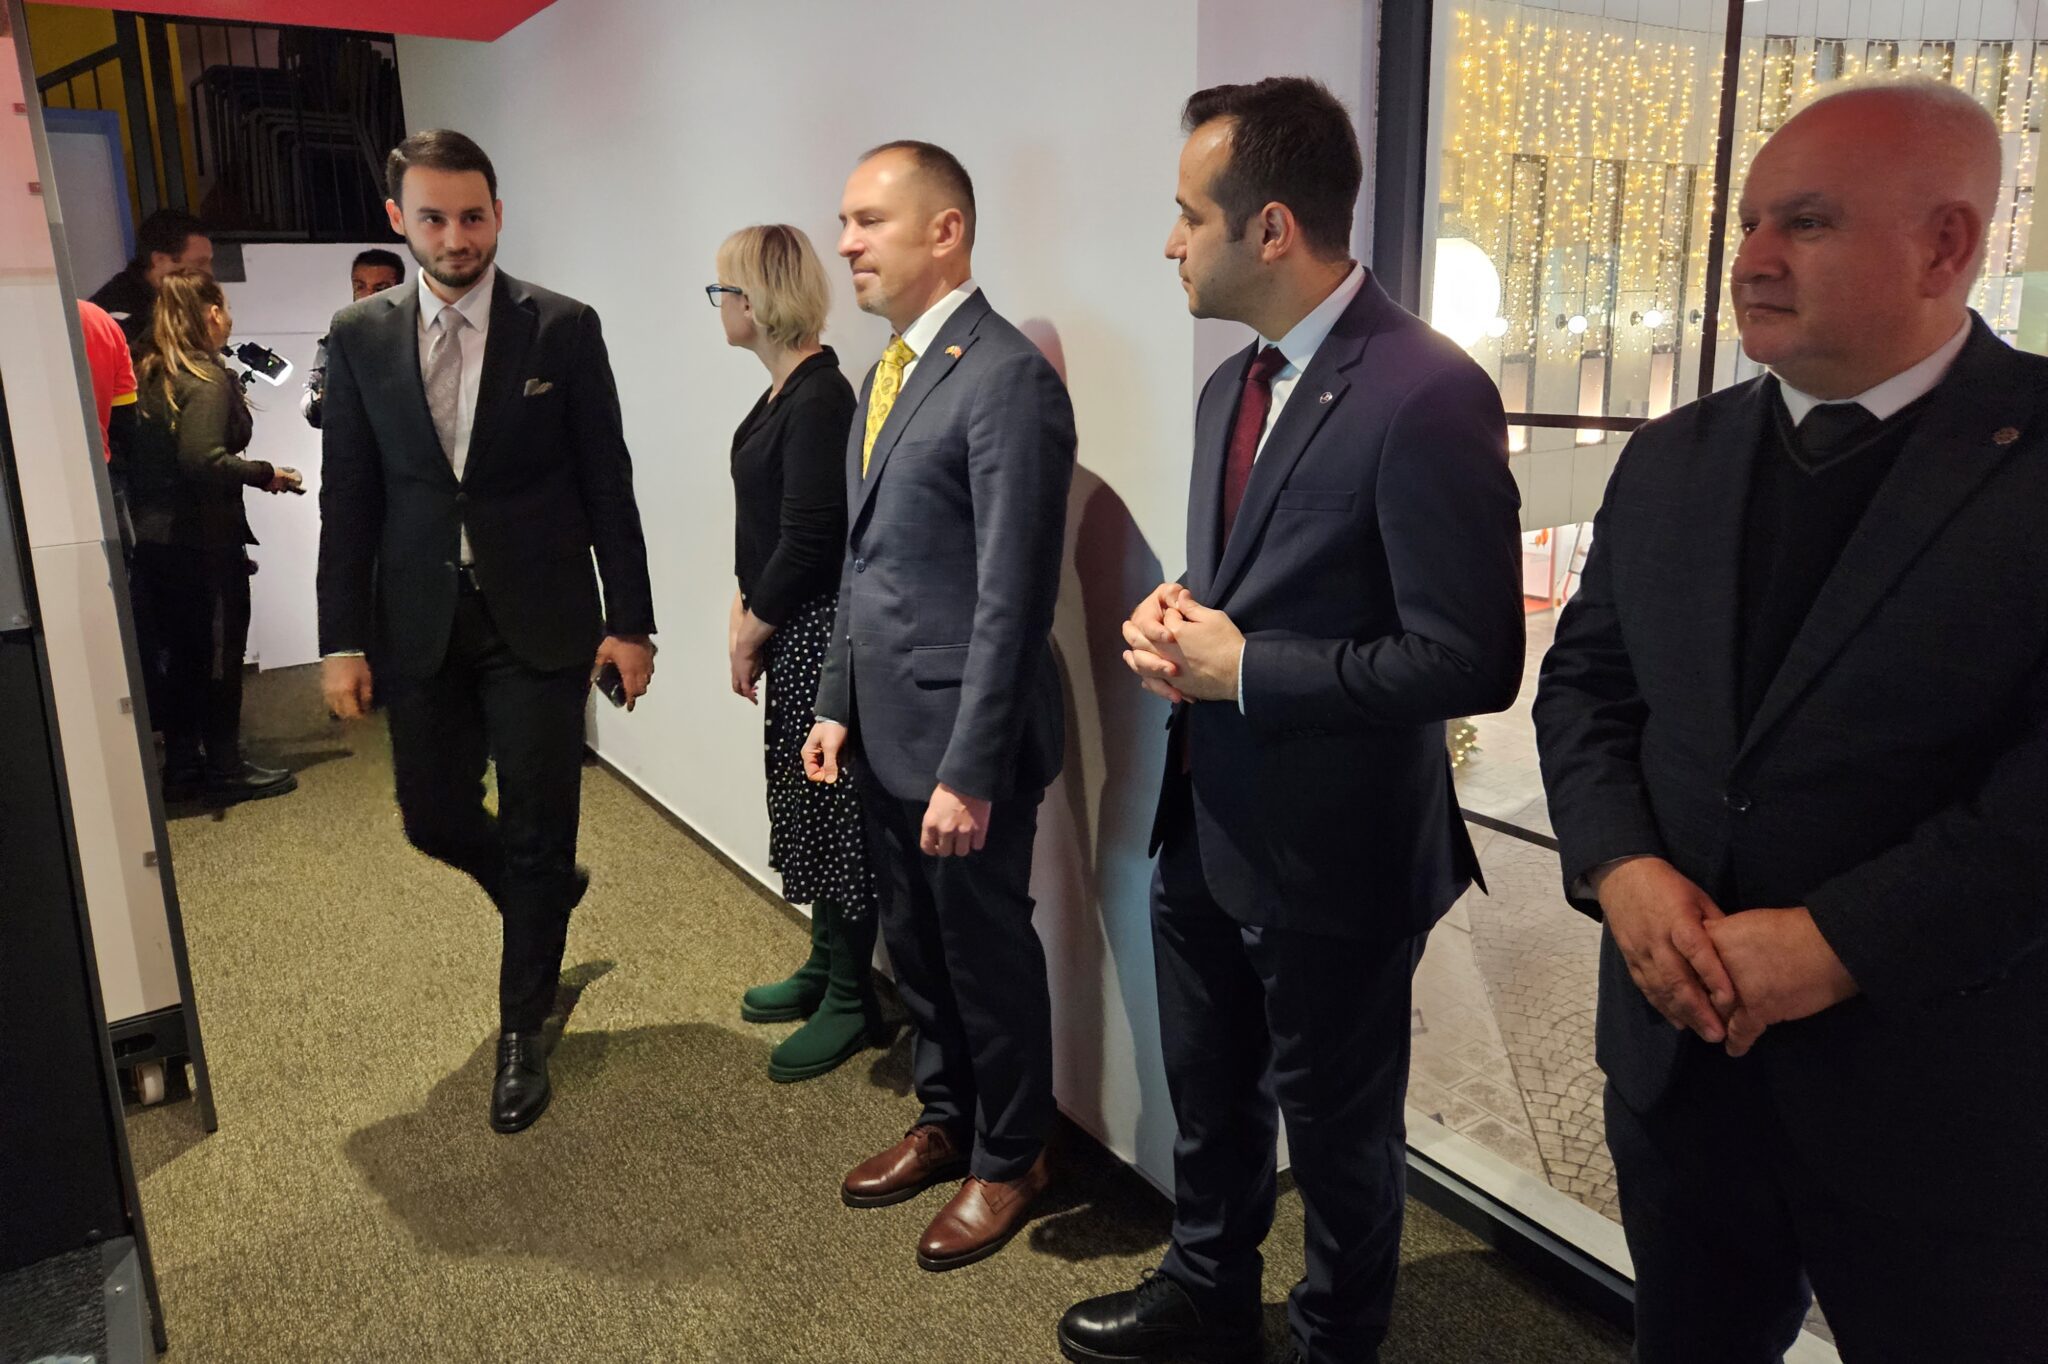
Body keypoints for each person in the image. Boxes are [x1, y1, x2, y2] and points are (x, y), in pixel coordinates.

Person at [1532, 78, 2048, 1363]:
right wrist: (1617, 864)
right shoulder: (1670, 458)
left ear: (1943, 244)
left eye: (1804, 223)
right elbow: (1587, 686)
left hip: (1939, 1090)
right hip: (1676, 1066)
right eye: (1748, 223)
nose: (1750, 259)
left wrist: (1841, 941)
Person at [1062, 79, 1523, 1364]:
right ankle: (1208, 1290)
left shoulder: (1426, 391)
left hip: (1336, 852)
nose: (1167, 241)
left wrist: (1248, 668)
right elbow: (1253, 585)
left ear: (1268, 228)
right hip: (1204, 819)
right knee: (1209, 1096)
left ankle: (1332, 1339)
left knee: (1336, 1134)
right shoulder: (1231, 385)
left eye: (1184, 214)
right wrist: (1174, 617)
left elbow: (1471, 658)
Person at [316, 130, 657, 1135]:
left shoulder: (562, 327)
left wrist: (631, 622)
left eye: (473, 216)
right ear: (399, 219)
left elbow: (608, 482)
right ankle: (539, 890)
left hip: (541, 618)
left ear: (498, 213)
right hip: (418, 618)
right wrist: (340, 639)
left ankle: (521, 1030)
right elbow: (349, 497)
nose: (456, 237)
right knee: (431, 814)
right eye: (434, 218)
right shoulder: (359, 333)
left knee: (543, 818)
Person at [803, 141, 1075, 1271]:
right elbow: (866, 563)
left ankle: (1013, 1155)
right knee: (916, 950)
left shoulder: (1006, 377)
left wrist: (968, 768)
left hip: (967, 743)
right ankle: (947, 1117)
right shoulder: (890, 372)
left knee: (983, 956)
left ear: (946, 230)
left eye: (869, 221)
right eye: (845, 221)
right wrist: (834, 699)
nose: (846, 244)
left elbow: (1014, 596)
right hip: (883, 727)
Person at [714, 222, 884, 1081]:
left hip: (817, 632)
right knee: (806, 804)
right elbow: (767, 522)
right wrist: (743, 608)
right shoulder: (785, 393)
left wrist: (753, 625)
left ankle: (853, 996)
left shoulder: (820, 398)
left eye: (723, 290)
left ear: (755, 299)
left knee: (831, 809)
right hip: (791, 629)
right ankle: (825, 963)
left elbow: (813, 539)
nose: (718, 305)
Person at [125, 271, 302, 803]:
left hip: (156, 541)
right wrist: (266, 472)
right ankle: (225, 766)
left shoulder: (150, 371)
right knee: (220, 656)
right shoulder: (204, 377)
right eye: (225, 309)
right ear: (211, 314)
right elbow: (202, 459)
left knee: (183, 656)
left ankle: (183, 765)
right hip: (202, 542)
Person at [304, 249, 407, 428]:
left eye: (380, 289)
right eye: (360, 287)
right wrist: (317, 405)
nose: (367, 296)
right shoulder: (336, 340)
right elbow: (311, 399)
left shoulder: (416, 338)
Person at [90, 208, 214, 348]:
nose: (209, 272)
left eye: (209, 262)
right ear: (159, 260)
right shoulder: (117, 317)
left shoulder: (181, 300)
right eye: (199, 263)